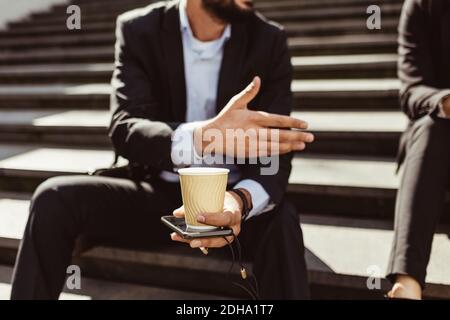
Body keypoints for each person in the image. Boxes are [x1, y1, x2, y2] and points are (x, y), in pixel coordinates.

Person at [10, 0, 314, 299]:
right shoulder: (139, 29)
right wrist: (202, 137)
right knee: (53, 198)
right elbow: (126, 127)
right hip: (158, 196)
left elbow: (276, 151)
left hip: (232, 201)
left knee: (283, 219)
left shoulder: (269, 39)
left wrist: (240, 201)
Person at [386, 0, 450, 299]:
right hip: (438, 136)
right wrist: (445, 102)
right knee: (430, 127)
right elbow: (411, 90)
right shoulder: (421, 6)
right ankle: (406, 284)